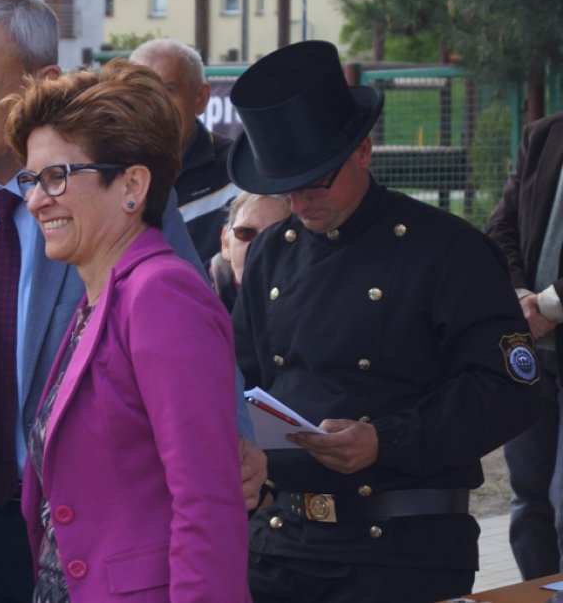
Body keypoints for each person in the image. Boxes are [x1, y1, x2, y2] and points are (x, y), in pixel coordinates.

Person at [0, 0, 263, 603]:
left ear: (42, 80)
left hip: (100, 540)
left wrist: (235, 446)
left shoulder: (124, 201)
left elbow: (192, 337)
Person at [228, 40, 539, 602]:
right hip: (280, 542)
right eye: (286, 187)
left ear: (364, 151)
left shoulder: (447, 251)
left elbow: (510, 389)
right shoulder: (272, 252)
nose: (299, 202)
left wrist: (386, 440)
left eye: (315, 181)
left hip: (400, 549)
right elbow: (243, 375)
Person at [5, 59, 248, 602]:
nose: (36, 199)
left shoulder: (161, 296)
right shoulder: (101, 300)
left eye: (56, 176)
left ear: (132, 185)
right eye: (31, 180)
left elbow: (207, 501)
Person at [485, 112, 563, 580]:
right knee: (529, 501)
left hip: (541, 326)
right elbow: (501, 228)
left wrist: (550, 304)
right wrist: (519, 298)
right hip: (530, 355)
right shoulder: (543, 135)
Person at [130, 38, 239, 264]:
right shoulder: (107, 171)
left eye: (168, 90)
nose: (155, 104)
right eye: (141, 91)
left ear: (201, 98)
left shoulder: (237, 171)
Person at [210, 192, 290, 313]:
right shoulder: (194, 299)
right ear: (226, 244)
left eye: (274, 236)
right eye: (245, 233)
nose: (259, 246)